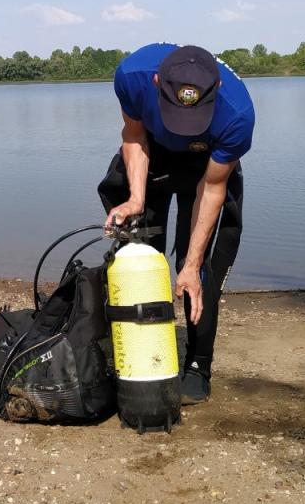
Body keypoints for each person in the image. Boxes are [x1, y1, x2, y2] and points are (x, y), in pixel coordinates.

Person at [98, 43, 255, 404]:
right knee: (136, 252)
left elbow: (213, 188)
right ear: (156, 82)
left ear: (214, 91)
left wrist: (192, 263)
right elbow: (134, 135)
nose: (185, 125)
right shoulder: (132, 76)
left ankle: (198, 366)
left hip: (206, 166)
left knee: (197, 271)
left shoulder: (237, 113)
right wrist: (136, 198)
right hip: (152, 151)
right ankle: (139, 349)